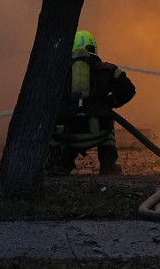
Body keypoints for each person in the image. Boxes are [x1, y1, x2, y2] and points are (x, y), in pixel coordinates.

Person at [46, 30, 136, 175]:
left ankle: (60, 164)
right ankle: (108, 166)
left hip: (66, 136)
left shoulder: (56, 72)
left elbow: (43, 101)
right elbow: (128, 90)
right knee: (108, 124)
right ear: (93, 48)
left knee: (54, 128)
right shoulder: (108, 70)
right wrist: (107, 103)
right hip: (98, 133)